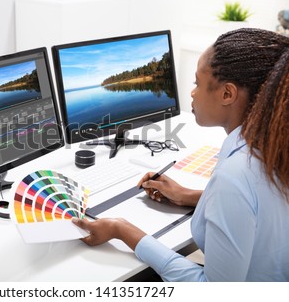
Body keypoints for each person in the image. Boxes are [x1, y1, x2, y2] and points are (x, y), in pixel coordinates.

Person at [72, 28, 289, 281]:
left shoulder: (235, 176)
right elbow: (260, 210)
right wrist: (190, 196)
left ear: (227, 94)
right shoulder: (274, 149)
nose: (192, 93)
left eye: (197, 83)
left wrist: (122, 230)